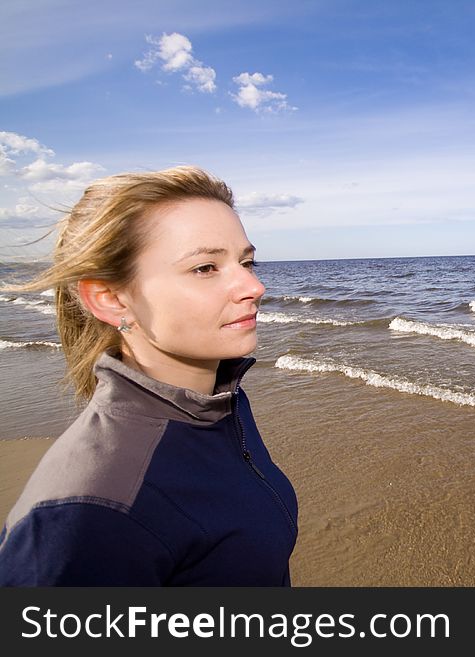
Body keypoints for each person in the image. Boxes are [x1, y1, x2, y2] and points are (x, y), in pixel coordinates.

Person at [0, 166, 298, 585]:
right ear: (110, 299)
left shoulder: (219, 404)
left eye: (246, 261)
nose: (254, 285)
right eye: (205, 268)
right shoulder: (86, 513)